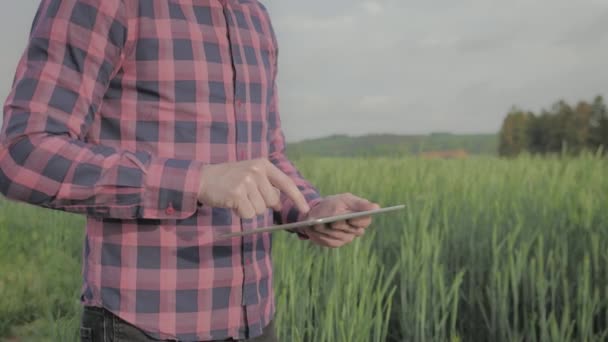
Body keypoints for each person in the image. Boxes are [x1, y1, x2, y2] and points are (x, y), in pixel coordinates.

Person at [0, 1, 379, 341]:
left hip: (257, 320)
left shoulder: (254, 17)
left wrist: (309, 209)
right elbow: (22, 152)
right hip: (141, 325)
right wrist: (196, 181)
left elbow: (267, 156)